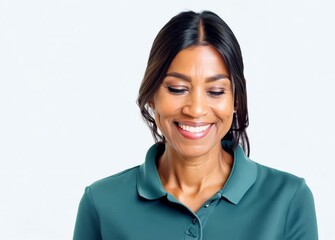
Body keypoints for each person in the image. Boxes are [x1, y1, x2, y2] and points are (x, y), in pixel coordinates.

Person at [73, 10, 318, 240]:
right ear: (151, 96)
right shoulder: (101, 204)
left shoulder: (288, 200)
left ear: (236, 100)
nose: (196, 109)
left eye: (215, 90)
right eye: (178, 89)